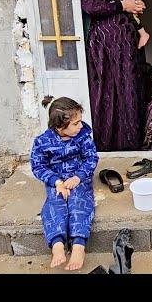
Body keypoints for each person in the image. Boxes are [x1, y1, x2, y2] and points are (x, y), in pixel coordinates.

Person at [77, 0, 147, 151]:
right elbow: (91, 6)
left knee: (130, 92)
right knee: (110, 94)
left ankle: (132, 144)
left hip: (126, 44)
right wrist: (122, 5)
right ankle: (110, 147)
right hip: (105, 47)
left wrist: (137, 19)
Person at [30, 96, 99, 270]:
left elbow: (91, 158)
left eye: (80, 122)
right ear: (60, 127)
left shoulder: (83, 136)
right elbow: (38, 166)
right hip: (57, 181)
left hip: (78, 178)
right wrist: (56, 182)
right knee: (55, 204)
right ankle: (57, 244)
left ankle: (78, 246)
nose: (80, 126)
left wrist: (78, 177)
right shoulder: (42, 142)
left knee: (79, 202)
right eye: (75, 124)